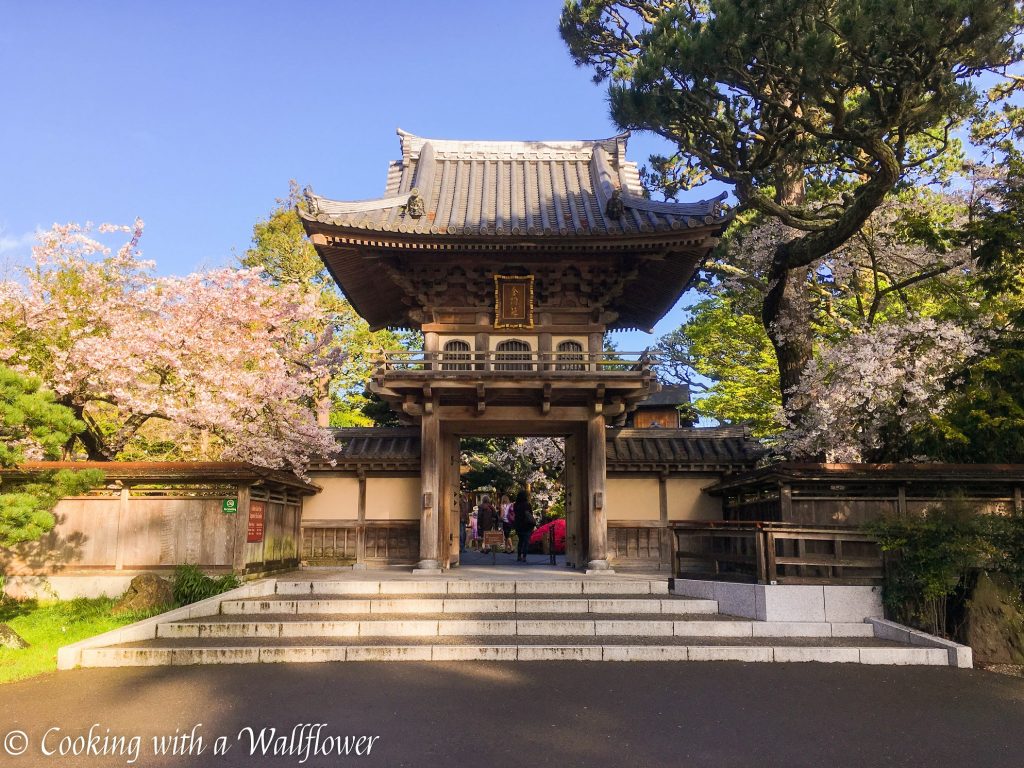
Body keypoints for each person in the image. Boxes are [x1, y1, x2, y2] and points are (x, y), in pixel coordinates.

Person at [512, 490, 535, 563]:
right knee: (526, 541)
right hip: (527, 525)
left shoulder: (515, 505)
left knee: (520, 541)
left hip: (519, 525)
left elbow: (515, 514)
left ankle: (519, 556)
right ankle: (524, 557)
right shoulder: (527, 504)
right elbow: (531, 514)